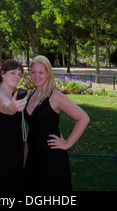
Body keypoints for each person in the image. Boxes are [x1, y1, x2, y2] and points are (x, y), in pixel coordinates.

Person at [24, 55, 90, 193]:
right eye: (33, 72)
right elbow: (32, 129)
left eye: (41, 72)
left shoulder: (55, 97)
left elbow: (83, 118)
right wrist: (25, 161)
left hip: (52, 160)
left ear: (48, 73)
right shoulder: (30, 95)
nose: (36, 76)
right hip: (33, 160)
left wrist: (67, 143)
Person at [0, 59, 28, 192]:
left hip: (14, 160)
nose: (17, 77)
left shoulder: (13, 96)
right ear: (2, 73)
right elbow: (7, 108)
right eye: (13, 73)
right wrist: (13, 107)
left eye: (19, 74)